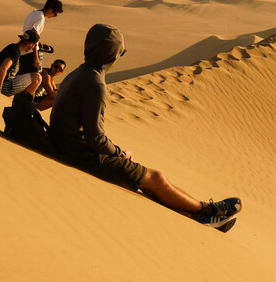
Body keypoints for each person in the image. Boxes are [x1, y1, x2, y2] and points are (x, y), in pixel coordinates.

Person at [49, 23, 242, 231]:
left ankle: (195, 215)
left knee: (147, 179)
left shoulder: (77, 74)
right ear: (112, 53)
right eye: (120, 51)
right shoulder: (95, 84)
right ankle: (209, 210)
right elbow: (95, 138)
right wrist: (120, 153)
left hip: (67, 147)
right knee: (155, 177)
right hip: (81, 156)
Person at [0, 29, 43, 96]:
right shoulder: (16, 52)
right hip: (3, 86)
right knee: (37, 78)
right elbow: (3, 68)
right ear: (30, 44)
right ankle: (22, 101)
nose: (33, 47)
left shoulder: (12, 46)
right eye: (34, 45)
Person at [18, 0, 63, 77]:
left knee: (23, 75)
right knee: (33, 78)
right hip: (29, 52)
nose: (54, 16)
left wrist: (38, 42)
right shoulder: (40, 18)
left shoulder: (33, 13)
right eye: (55, 14)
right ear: (50, 9)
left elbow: (29, 33)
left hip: (23, 49)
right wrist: (36, 58)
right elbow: (33, 37)